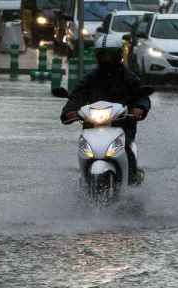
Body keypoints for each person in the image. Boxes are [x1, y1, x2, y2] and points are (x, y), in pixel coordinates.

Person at [60, 34, 151, 185]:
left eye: (110, 54)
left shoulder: (129, 77)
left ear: (118, 55)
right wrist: (69, 111)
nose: (106, 59)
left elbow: (142, 95)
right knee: (84, 149)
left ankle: (132, 178)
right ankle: (83, 178)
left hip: (122, 125)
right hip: (92, 126)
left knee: (126, 147)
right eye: (103, 55)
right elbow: (77, 95)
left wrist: (139, 107)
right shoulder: (91, 78)